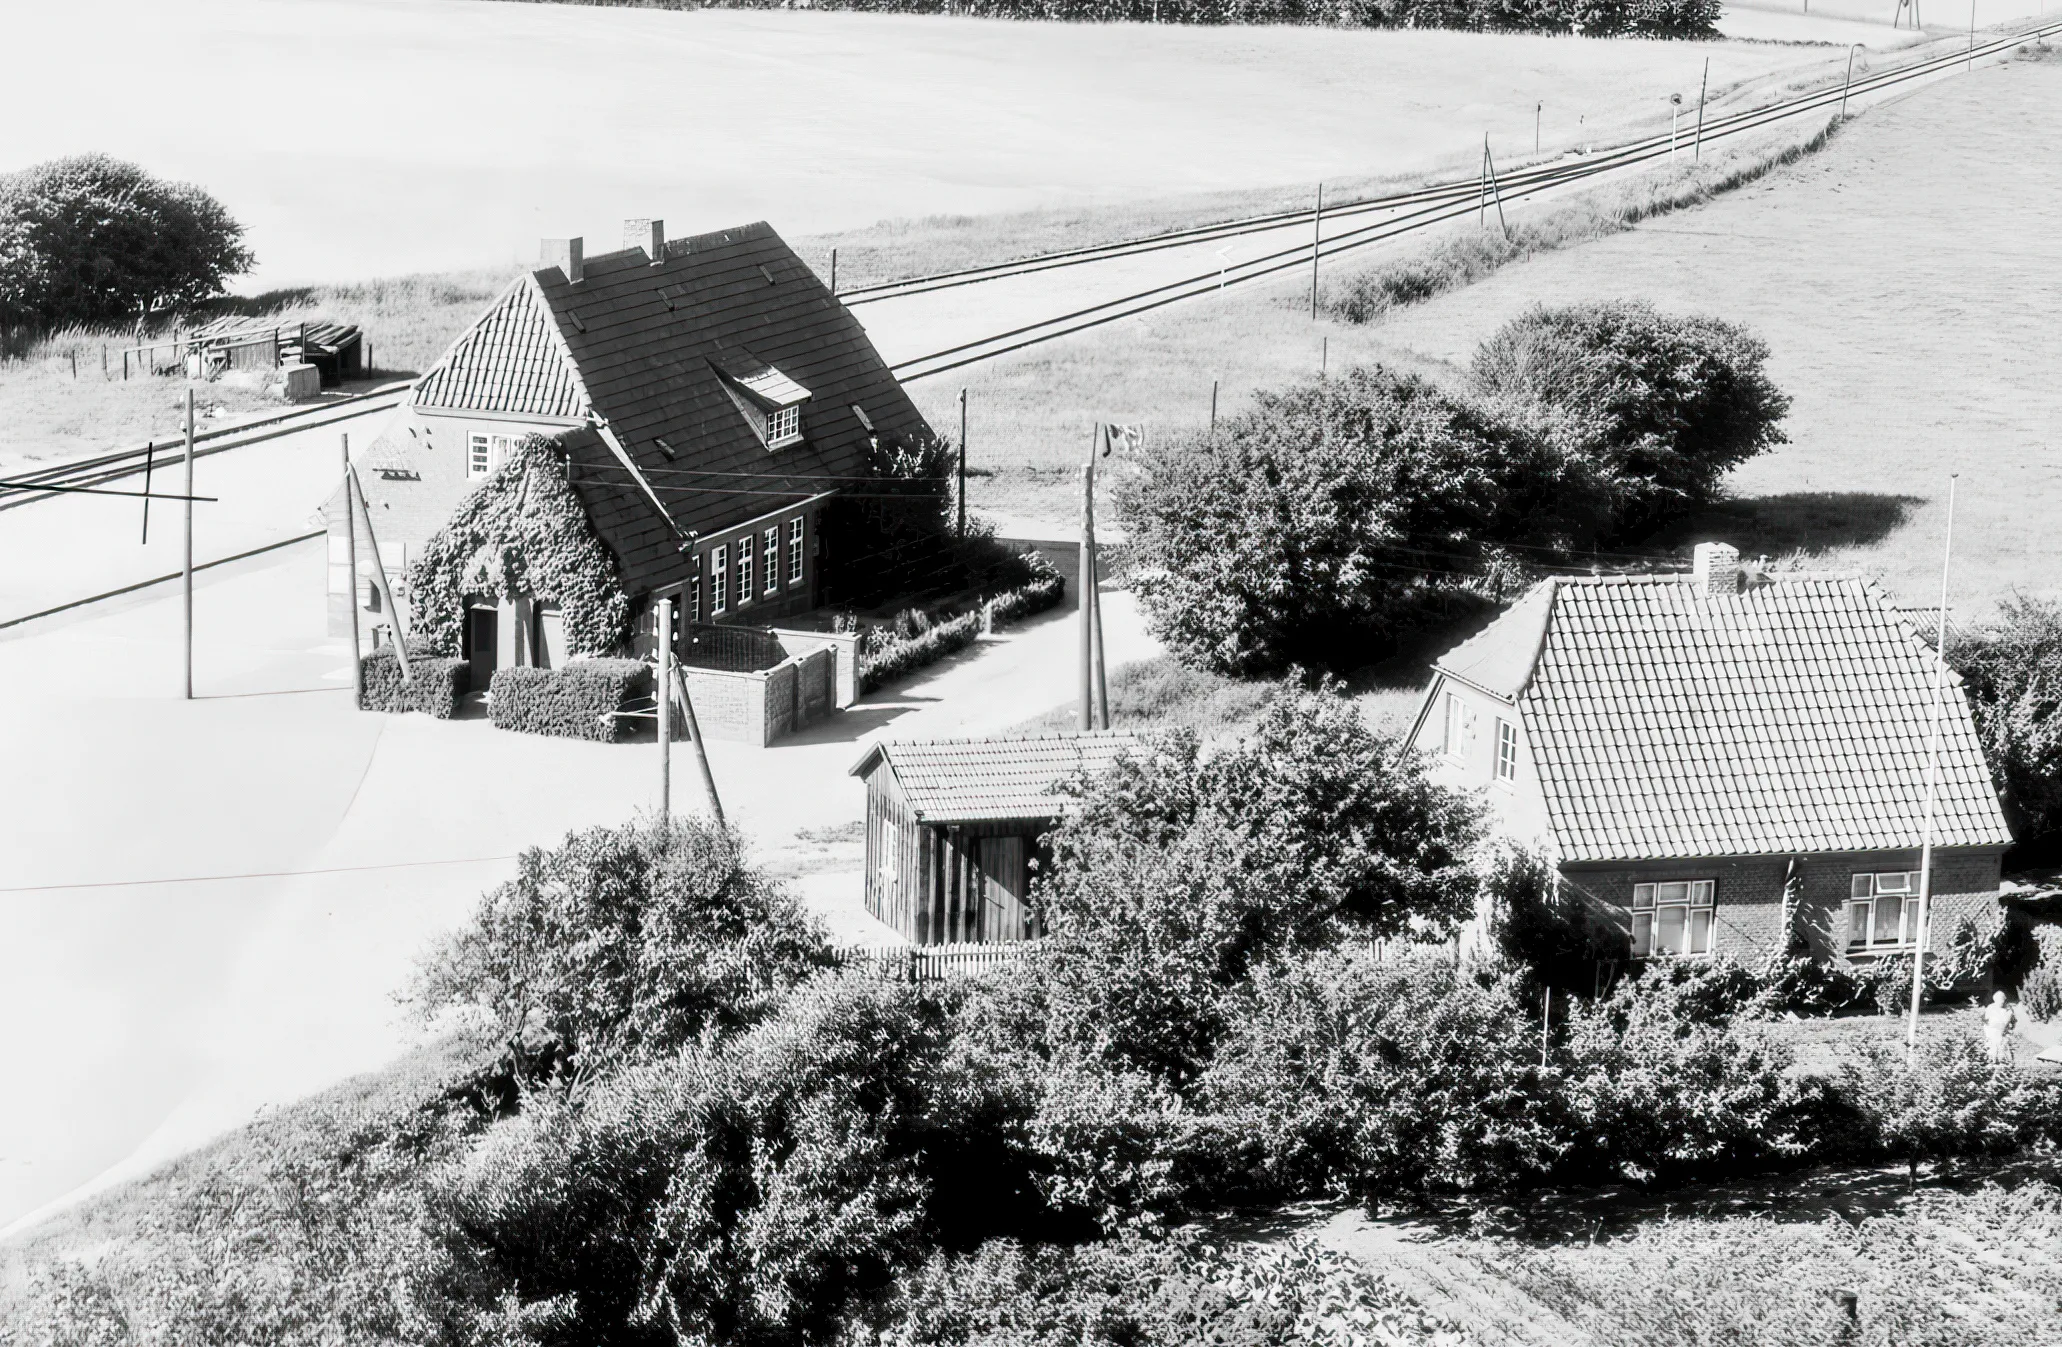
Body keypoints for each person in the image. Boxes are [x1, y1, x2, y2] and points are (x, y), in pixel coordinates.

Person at [1983, 990, 2020, 1065]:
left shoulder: (2008, 1009)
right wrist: (1988, 1031)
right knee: (1992, 1047)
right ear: (1995, 1000)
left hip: (2004, 1033)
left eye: (2002, 1000)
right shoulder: (1990, 1008)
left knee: (2003, 1047)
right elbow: (1985, 1021)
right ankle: (1992, 1061)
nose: (2001, 1002)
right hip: (1992, 1031)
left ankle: (2005, 1063)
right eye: (1999, 1000)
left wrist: (2010, 1029)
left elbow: (2014, 1021)